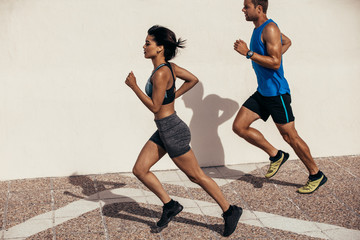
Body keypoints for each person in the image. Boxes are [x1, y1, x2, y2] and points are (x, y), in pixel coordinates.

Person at [125, 25, 242, 237]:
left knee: (196, 176)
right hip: (165, 129)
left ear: (160, 48)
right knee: (140, 170)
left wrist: (134, 87)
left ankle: (230, 210)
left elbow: (154, 106)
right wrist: (173, 96)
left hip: (172, 130)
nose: (144, 46)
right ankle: (170, 205)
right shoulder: (170, 67)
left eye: (148, 43)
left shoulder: (161, 74)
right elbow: (193, 79)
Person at [232, 0, 327, 194]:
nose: (243, 9)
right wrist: (264, 57)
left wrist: (248, 53)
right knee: (239, 126)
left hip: (277, 93)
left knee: (290, 136)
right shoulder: (258, 28)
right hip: (263, 92)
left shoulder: (270, 28)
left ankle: (316, 174)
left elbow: (275, 63)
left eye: (246, 6)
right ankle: (276, 155)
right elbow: (287, 42)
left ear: (259, 8)